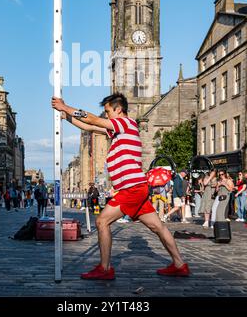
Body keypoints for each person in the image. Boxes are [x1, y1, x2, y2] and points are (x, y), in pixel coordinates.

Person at [52, 92, 190, 278]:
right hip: (137, 188)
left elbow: (93, 119)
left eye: (108, 111)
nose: (106, 115)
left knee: (102, 221)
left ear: (118, 109)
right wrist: (66, 116)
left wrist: (66, 107)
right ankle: (179, 264)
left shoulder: (125, 123)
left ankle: (105, 268)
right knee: (158, 227)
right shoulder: (118, 129)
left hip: (131, 188)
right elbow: (89, 126)